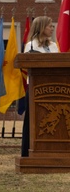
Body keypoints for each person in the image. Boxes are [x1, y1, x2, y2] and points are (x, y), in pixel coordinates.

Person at [21, 15, 58, 158]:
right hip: (36, 88)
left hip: (54, 88)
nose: (52, 28)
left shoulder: (54, 46)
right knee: (33, 120)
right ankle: (29, 152)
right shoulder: (30, 46)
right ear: (41, 28)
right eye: (50, 26)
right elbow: (26, 66)